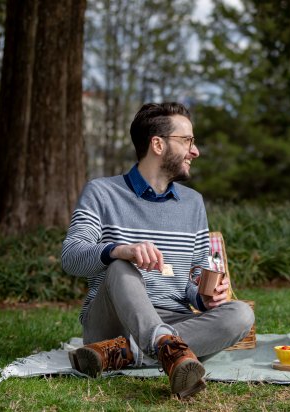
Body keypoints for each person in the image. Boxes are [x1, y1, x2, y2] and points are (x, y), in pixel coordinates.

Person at [61, 102, 254, 398]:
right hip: (112, 324)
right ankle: (166, 348)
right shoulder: (101, 192)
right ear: (158, 144)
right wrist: (118, 250)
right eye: (187, 140)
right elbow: (71, 257)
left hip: (172, 317)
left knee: (241, 314)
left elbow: (194, 276)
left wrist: (205, 295)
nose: (195, 151)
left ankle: (124, 354)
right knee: (120, 265)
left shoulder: (193, 203)